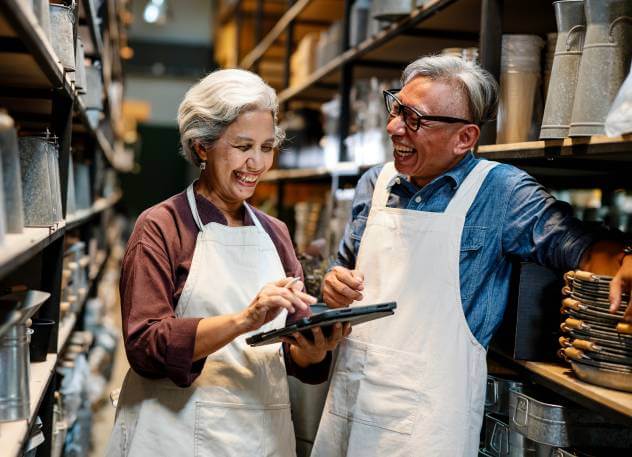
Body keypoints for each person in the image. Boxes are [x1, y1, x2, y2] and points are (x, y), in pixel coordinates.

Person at [310, 55, 632, 457]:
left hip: (428, 429)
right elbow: (342, 273)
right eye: (396, 109)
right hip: (350, 404)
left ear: (464, 138)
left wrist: (625, 259)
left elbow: (578, 246)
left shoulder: (501, 192)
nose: (394, 128)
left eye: (415, 119)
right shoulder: (375, 183)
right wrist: (333, 287)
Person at [106, 69, 349, 457]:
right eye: (242, 146)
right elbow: (145, 345)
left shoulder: (275, 233)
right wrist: (243, 321)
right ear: (202, 146)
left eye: (267, 147)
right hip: (174, 436)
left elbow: (289, 352)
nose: (256, 163)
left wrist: (315, 347)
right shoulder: (161, 226)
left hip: (260, 435)